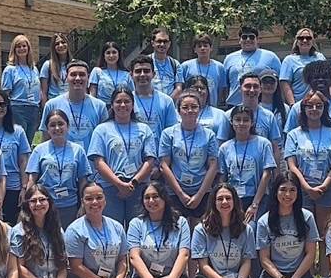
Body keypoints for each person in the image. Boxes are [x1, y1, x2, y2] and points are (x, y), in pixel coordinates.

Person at [88, 86, 156, 223]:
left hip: (138, 187)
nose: (123, 105)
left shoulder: (144, 129)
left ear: (133, 104)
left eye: (127, 101)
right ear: (112, 105)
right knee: (112, 227)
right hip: (110, 187)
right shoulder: (102, 130)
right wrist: (119, 184)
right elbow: (99, 162)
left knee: (137, 228)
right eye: (118, 102)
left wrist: (133, 183)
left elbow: (150, 161)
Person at [285, 91, 331, 233]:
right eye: (310, 106)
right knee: (304, 234)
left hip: (329, 189)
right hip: (302, 190)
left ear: (324, 108)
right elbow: (292, 165)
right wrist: (307, 187)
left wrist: (324, 186)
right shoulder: (294, 134)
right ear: (303, 108)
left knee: (328, 233)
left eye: (318, 106)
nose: (314, 109)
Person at [159, 89, 221, 220]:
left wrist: (199, 195)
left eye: (194, 107)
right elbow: (164, 165)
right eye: (185, 107)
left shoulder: (209, 135)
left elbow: (213, 166)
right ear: (178, 110)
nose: (190, 110)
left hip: (202, 191)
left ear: (200, 109)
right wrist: (181, 194)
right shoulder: (168, 133)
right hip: (176, 191)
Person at [27, 107, 94, 218]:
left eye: (60, 124)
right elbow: (32, 180)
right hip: (45, 205)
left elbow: (83, 180)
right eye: (52, 125)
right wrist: (29, 202)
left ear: (67, 126)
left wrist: (83, 204)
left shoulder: (78, 150)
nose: (57, 128)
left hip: (70, 204)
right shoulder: (39, 150)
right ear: (47, 129)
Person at [217, 103, 276, 217]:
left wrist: (255, 204)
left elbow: (267, 174)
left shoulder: (263, 144)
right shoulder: (224, 148)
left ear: (252, 122)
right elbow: (222, 178)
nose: (241, 123)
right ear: (231, 122)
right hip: (233, 199)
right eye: (237, 120)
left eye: (246, 120)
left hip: (257, 198)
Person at [40, 61, 105, 151]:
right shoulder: (52, 105)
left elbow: (104, 140)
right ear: (67, 78)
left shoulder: (100, 107)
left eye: (82, 74)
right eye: (73, 74)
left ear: (88, 78)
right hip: (61, 162)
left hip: (91, 163)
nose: (78, 78)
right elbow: (45, 140)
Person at [0, 89, 32, 196]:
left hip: (13, 187)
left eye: (2, 104)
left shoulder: (18, 131)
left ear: (8, 107)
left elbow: (23, 161)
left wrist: (24, 187)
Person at [126, 55, 180, 139]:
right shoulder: (126, 101)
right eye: (138, 71)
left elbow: (172, 132)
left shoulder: (166, 101)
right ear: (131, 75)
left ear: (153, 74)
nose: (142, 74)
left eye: (146, 71)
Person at [0, 34, 43, 138]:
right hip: (18, 109)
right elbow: (5, 94)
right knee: (19, 139)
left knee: (28, 142)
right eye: (18, 46)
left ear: (28, 48)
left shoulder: (34, 69)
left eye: (24, 46)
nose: (21, 49)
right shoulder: (10, 69)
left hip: (34, 108)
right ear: (14, 49)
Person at [224, 24, 281, 93]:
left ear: (257, 39)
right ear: (239, 40)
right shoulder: (229, 58)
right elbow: (225, 86)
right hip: (233, 103)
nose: (248, 40)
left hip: (261, 103)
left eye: (251, 37)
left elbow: (280, 82)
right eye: (244, 37)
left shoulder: (271, 57)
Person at [181, 34, 230, 108]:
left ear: (211, 48)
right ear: (194, 49)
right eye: (199, 46)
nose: (202, 48)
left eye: (205, 45)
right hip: (191, 109)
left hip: (212, 108)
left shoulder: (219, 67)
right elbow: (182, 89)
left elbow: (221, 90)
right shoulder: (186, 66)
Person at [281, 28, 328, 105]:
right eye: (301, 38)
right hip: (299, 103)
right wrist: (292, 104)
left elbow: (327, 79)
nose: (305, 40)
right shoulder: (289, 60)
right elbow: (285, 84)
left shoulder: (320, 57)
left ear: (312, 41)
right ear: (297, 42)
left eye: (308, 38)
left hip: (318, 103)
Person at [91, 40, 132, 104]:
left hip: (122, 108)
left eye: (114, 52)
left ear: (119, 54)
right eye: (108, 53)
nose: (111, 55)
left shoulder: (127, 74)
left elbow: (132, 95)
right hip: (103, 108)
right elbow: (92, 96)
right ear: (103, 56)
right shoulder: (97, 72)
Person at [39, 34, 75, 102]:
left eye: (63, 42)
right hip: (54, 104)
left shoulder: (75, 64)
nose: (60, 45)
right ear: (53, 48)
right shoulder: (47, 65)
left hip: (71, 103)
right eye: (57, 44)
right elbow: (43, 92)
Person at [146, 28, 181, 96]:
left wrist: (167, 102)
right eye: (159, 41)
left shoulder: (175, 64)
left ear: (169, 43)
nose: (162, 44)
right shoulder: (145, 62)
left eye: (165, 41)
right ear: (152, 43)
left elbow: (178, 88)